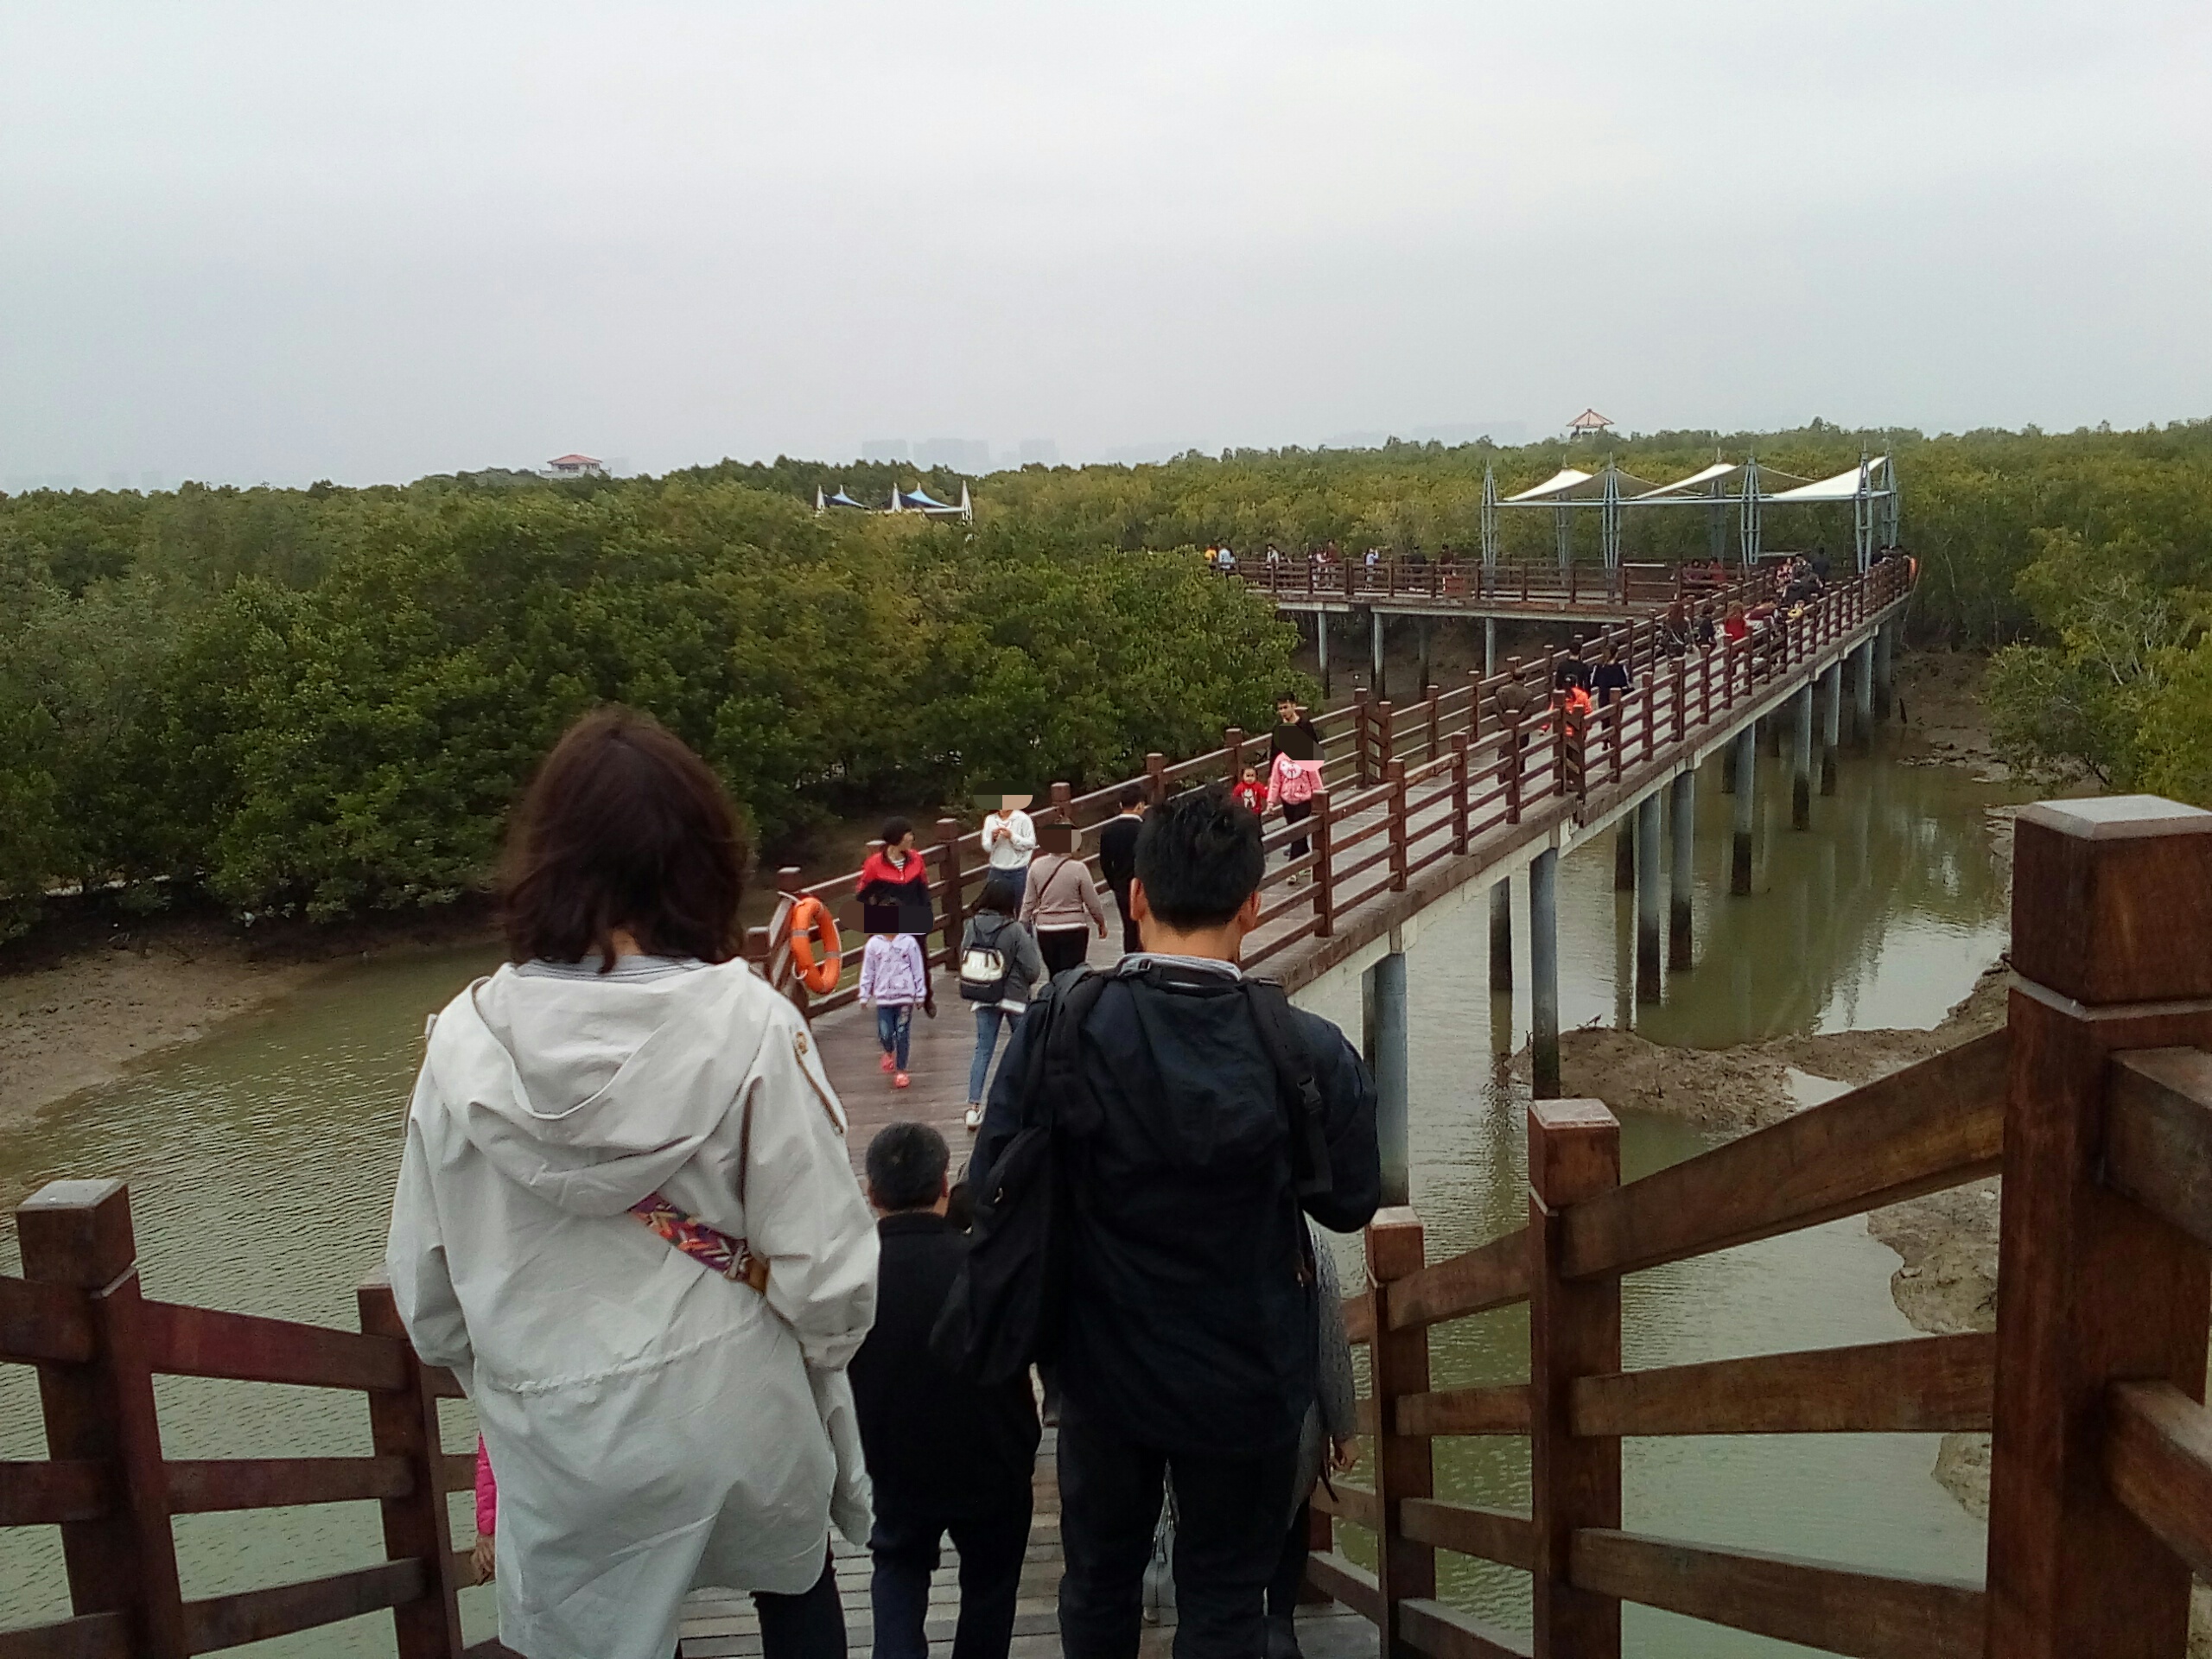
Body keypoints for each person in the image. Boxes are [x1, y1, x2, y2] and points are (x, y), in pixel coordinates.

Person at [386, 706, 875, 1659]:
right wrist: (826, 1352)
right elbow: (827, 1274)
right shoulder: (751, 1025)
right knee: (794, 1580)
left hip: (560, 1438)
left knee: (611, 1626)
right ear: (699, 860)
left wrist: (519, 1380)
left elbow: (430, 1299)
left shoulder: (461, 1043)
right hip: (735, 1409)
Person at [973, 785, 1380, 1659]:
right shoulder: (1302, 1049)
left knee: (1099, 1584)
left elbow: (988, 1182)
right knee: (1226, 1600)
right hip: (1247, 1376)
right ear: (1251, 907)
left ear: (1135, 897)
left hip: (1100, 1368)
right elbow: (1350, 1202)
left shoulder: (1062, 1023)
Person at [851, 1125, 1040, 1659]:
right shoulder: (984, 1266)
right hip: (993, 1458)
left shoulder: (852, 1278)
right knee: (990, 1587)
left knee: (899, 1567)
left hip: (894, 1463)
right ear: (942, 1184)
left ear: (871, 1192)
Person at [1265, 1222, 1358, 1659]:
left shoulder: (1183, 1226)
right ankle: (1278, 1627)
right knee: (1293, 1514)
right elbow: (1329, 1342)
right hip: (1291, 1420)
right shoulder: (1305, 1238)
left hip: (1204, 1425)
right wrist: (1344, 1427)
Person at [961, 870, 1044, 1130]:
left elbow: (964, 955)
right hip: (1015, 998)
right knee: (1025, 1049)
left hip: (982, 993)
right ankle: (1026, 1103)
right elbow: (1033, 970)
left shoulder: (971, 926)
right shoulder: (1015, 930)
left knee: (983, 1050)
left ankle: (973, 1107)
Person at [1021, 821, 1107, 976]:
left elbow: (1029, 902)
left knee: (1054, 974)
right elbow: (1092, 901)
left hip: (1045, 929)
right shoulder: (1078, 868)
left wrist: (1022, 924)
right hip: (1074, 927)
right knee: (1074, 974)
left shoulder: (1036, 866)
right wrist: (1100, 922)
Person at [861, 927, 931, 1089]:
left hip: (905, 996)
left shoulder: (909, 943)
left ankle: (901, 1070)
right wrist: (864, 993)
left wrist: (920, 994)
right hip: (883, 997)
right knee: (885, 1033)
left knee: (902, 1033)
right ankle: (889, 1051)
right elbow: (868, 970)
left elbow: (918, 970)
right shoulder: (874, 944)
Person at [1267, 695, 1324, 868]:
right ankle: (1302, 854)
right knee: (1292, 823)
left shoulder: (1305, 726)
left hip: (1304, 784)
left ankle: (1294, 863)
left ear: (1293, 706)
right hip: (1286, 783)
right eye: (1280, 708)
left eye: (1285, 707)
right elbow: (1274, 755)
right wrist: (1272, 781)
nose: (1283, 711)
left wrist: (1317, 787)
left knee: (1299, 824)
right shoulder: (1278, 728)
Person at [858, 818, 935, 938]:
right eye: (909, 834)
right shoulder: (874, 864)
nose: (912, 838)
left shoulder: (916, 859)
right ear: (898, 837)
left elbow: (924, 893)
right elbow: (862, 897)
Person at [1096, 786, 1147, 957]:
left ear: (1120, 805)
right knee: (1145, 926)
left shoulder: (1108, 830)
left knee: (1128, 927)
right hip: (1144, 886)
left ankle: (1129, 959)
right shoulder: (1146, 830)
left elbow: (1104, 862)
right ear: (1140, 805)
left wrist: (1114, 884)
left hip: (1121, 887)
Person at [982, 795, 1038, 906]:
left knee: (1020, 906)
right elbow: (986, 847)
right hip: (996, 871)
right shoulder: (990, 820)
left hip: (1018, 871)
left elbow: (1031, 844)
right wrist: (993, 839)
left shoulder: (1023, 819)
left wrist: (1012, 837)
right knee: (994, 906)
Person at [1590, 641, 1631, 709]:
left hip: (1603, 700)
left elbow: (1593, 683)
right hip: (1617, 701)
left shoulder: (1598, 667)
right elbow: (1626, 684)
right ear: (1616, 654)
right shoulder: (1620, 668)